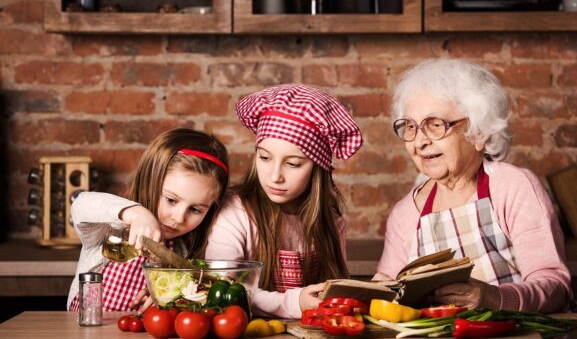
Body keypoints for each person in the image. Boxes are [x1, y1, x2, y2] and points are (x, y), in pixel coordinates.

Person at [373, 59, 572, 313]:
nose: (420, 141)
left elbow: (555, 287)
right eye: (411, 127)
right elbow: (388, 291)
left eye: (435, 125)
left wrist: (496, 299)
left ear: (478, 133)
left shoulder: (513, 189)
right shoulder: (405, 215)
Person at [205, 84, 363, 318]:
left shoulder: (331, 221)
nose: (275, 176)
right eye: (265, 157)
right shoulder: (236, 212)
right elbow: (220, 287)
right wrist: (294, 302)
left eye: (293, 164)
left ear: (318, 168)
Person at [67, 128, 229, 312]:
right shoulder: (110, 226)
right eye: (171, 200)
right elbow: (81, 204)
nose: (178, 218)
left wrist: (170, 296)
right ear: (148, 182)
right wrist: (137, 214)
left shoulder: (183, 252)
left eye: (195, 209)